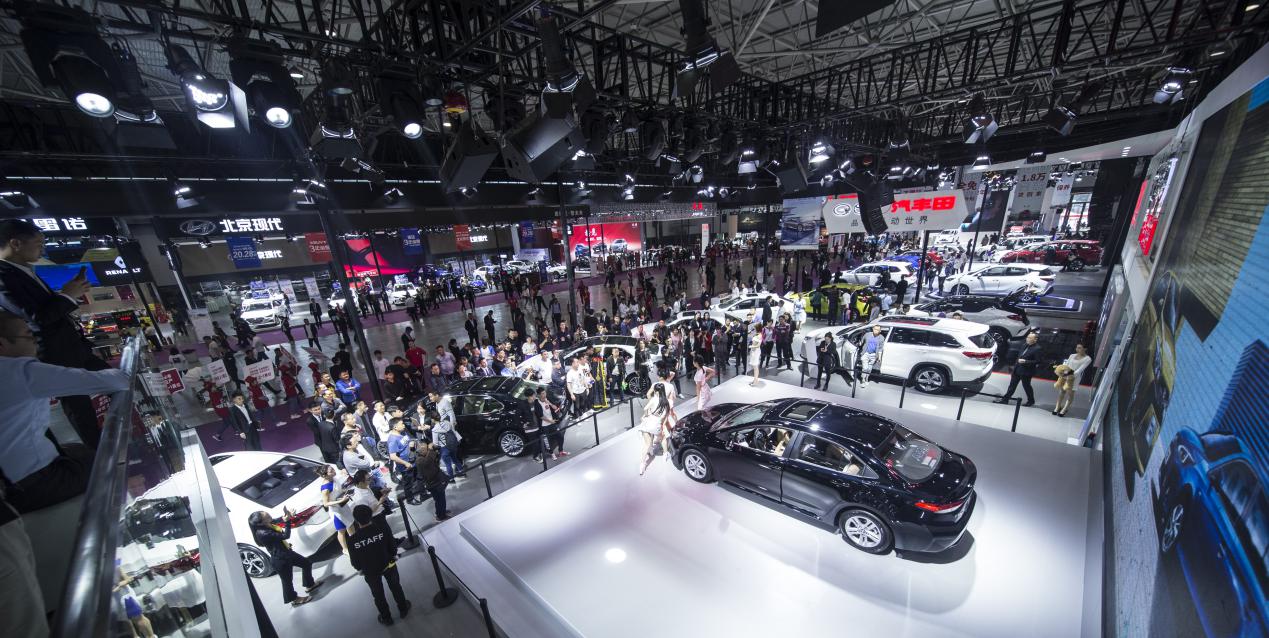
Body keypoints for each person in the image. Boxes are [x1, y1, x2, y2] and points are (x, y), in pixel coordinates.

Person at [0, 311, 130, 513]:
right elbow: (116, 380)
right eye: (29, 337)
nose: (35, 343)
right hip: (28, 485)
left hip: (10, 481)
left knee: (80, 450)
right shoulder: (20, 371)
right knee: (108, 461)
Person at [0, 220, 114, 448]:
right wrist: (68, 295)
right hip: (56, 352)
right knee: (79, 405)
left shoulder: (24, 271)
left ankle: (113, 439)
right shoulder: (4, 276)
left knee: (115, 381)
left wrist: (69, 293)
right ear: (16, 243)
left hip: (72, 347)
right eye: (39, 244)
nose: (43, 249)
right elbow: (38, 317)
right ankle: (99, 454)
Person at [346, 504, 412, 626]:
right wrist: (393, 555)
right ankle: (403, 608)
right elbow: (392, 547)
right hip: (388, 564)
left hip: (370, 571)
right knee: (396, 586)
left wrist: (360, 568)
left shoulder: (352, 540)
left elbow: (354, 561)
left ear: (355, 520)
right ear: (371, 516)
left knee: (378, 595)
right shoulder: (382, 529)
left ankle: (386, 618)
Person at [248, 509, 321, 607]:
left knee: (306, 563)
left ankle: (310, 584)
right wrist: (287, 522)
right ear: (261, 522)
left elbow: (277, 520)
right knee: (287, 582)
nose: (268, 515)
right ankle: (294, 599)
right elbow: (285, 535)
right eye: (266, 516)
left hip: (287, 553)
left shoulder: (267, 524)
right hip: (280, 560)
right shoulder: (263, 533)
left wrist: (287, 516)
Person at [997, 332, 1042, 406]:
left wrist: (1026, 361)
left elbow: (1038, 361)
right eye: (1027, 337)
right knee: (1012, 386)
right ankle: (1005, 400)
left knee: (1027, 386)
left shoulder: (1037, 349)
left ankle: (1031, 401)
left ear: (1035, 339)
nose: (1027, 339)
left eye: (1030, 338)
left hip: (1026, 371)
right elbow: (1019, 356)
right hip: (1017, 369)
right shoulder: (1024, 345)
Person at [316, 464, 352, 555]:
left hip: (343, 506)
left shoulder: (334, 479)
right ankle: (345, 549)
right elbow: (326, 503)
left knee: (351, 524)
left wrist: (345, 493)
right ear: (325, 475)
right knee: (341, 530)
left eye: (333, 469)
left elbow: (339, 490)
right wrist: (340, 501)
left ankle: (355, 540)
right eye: (331, 471)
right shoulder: (325, 488)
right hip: (336, 511)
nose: (334, 471)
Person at [636, 383, 671, 475]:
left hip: (648, 423)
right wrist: (663, 424)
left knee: (646, 444)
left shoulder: (653, 399)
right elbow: (666, 415)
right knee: (662, 438)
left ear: (656, 391)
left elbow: (645, 408)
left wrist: (646, 415)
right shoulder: (666, 402)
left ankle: (642, 465)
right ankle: (665, 454)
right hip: (657, 424)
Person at [412, 440, 451, 521]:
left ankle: (441, 512)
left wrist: (435, 451)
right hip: (433, 483)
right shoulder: (419, 460)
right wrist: (430, 450)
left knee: (441, 499)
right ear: (422, 451)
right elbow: (428, 461)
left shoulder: (425, 457)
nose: (427, 450)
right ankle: (441, 516)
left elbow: (435, 460)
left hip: (437, 481)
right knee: (439, 500)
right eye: (426, 449)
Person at [429, 390, 465, 478]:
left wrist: (452, 427)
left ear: (437, 395)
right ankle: (461, 471)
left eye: (431, 396)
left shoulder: (445, 403)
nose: (430, 398)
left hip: (446, 440)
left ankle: (451, 478)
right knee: (454, 458)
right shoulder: (437, 403)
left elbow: (451, 414)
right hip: (447, 433)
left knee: (448, 462)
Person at [1052, 342, 1092, 416]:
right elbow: (1066, 365)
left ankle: (1064, 409)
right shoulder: (1072, 355)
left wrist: (1070, 375)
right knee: (1062, 391)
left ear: (1085, 349)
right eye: (1077, 347)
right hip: (1064, 375)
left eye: (1079, 348)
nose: (1077, 349)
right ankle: (1057, 407)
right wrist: (1063, 373)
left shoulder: (1088, 359)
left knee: (1070, 393)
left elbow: (1080, 370)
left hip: (1074, 378)